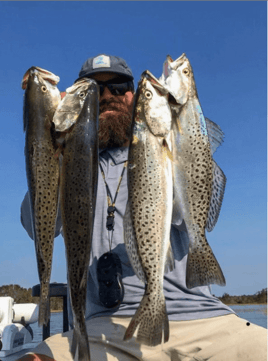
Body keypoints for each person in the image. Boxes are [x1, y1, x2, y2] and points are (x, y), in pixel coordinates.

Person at [19, 54, 267, 361]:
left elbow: (189, 202)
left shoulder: (168, 148)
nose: (107, 97)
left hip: (201, 319)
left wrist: (181, 122)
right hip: (104, 331)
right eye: (95, 89)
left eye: (119, 87)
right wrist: (50, 146)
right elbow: (38, 226)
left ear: (133, 95)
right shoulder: (71, 164)